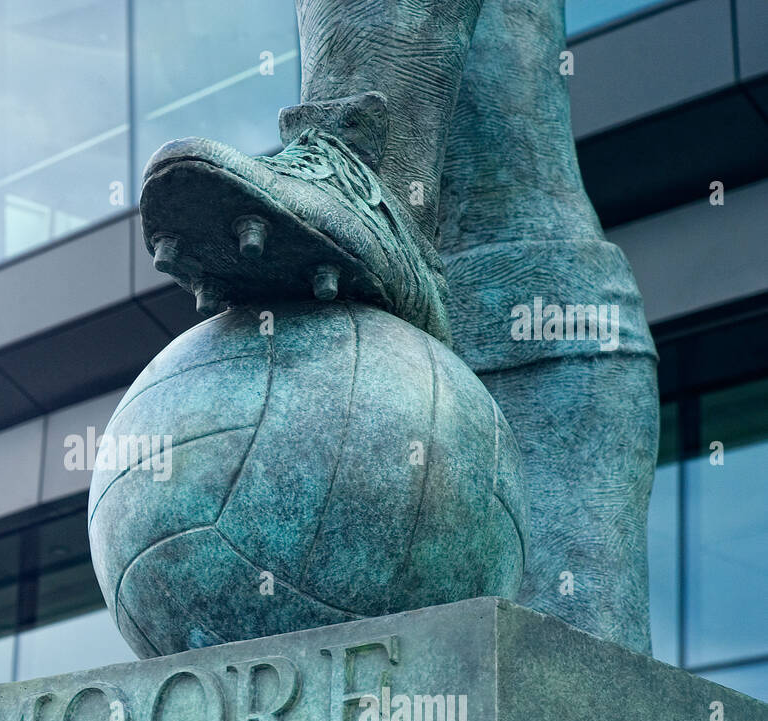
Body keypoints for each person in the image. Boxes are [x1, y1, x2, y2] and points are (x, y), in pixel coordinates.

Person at [138, 0, 660, 656]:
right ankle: (373, 178)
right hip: (532, 327)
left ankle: (365, 166)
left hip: (536, 353)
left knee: (583, 712)